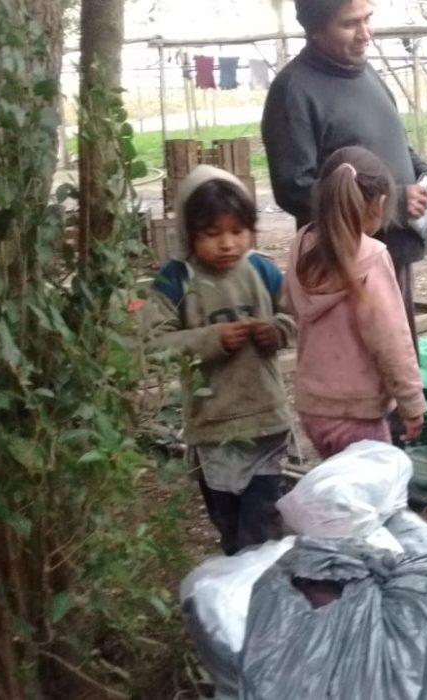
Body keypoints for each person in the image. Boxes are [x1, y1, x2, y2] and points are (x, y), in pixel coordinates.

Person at [261, 0, 427, 350]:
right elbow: (294, 187)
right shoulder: (294, 91)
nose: (365, 34)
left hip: (391, 253)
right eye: (350, 24)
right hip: (346, 268)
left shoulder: (366, 74)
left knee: (398, 360)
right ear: (315, 29)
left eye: (368, 19)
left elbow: (396, 145)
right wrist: (391, 203)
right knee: (358, 374)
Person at [145, 165, 298, 555]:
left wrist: (275, 331)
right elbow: (154, 344)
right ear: (189, 235)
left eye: (237, 231)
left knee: (260, 523)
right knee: (228, 523)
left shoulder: (261, 270)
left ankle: (259, 592)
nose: (227, 243)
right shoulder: (176, 281)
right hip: (214, 427)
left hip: (265, 420)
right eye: (212, 234)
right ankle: (238, 587)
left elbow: (295, 318)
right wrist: (211, 339)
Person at [285, 146, 427, 459]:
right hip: (358, 414)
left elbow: (294, 307)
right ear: (378, 203)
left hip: (314, 411)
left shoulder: (301, 245)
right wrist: (412, 403)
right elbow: (391, 339)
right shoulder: (371, 256)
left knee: (341, 494)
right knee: (372, 499)